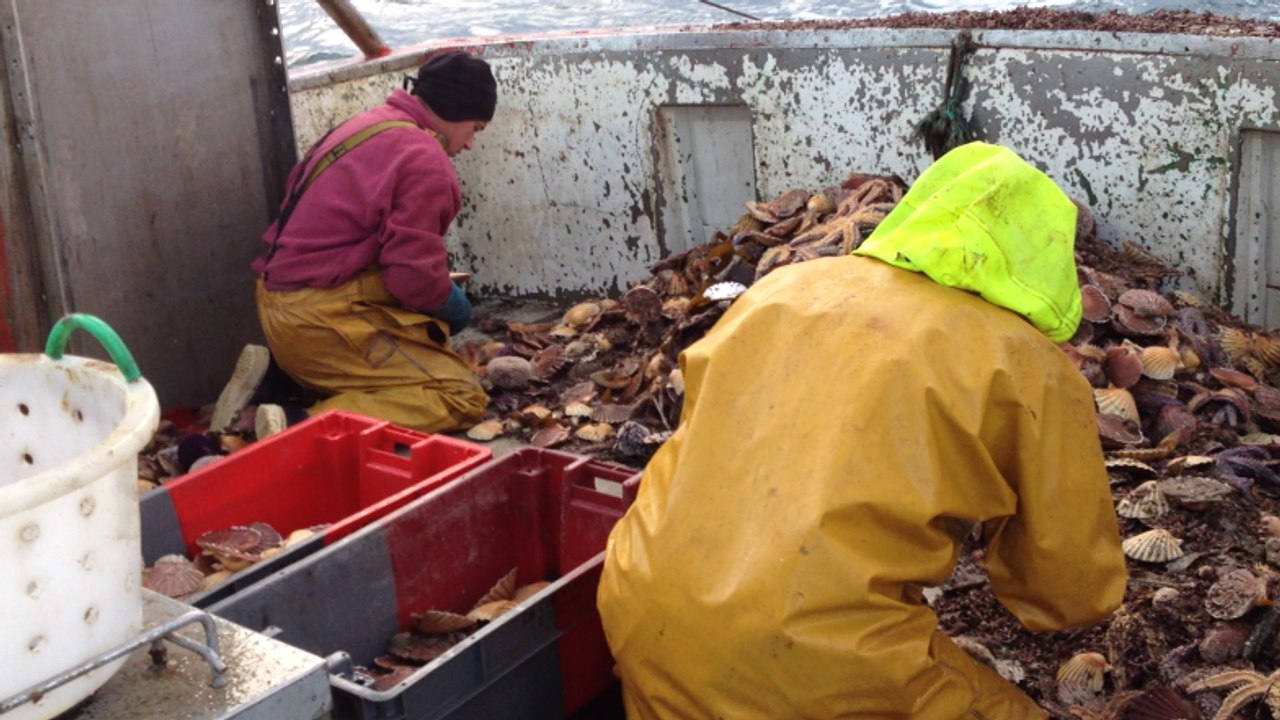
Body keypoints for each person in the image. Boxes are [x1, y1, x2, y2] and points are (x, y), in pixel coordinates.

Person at [597, 142, 1128, 718]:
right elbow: (1065, 591)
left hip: (638, 601)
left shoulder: (785, 288)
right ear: (1045, 259)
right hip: (814, 662)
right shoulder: (1029, 368)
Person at [210, 51, 496, 438]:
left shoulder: (363, 126)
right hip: (319, 323)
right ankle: (295, 424)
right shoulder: (426, 159)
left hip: (279, 306)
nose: (470, 145)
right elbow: (413, 279)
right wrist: (452, 304)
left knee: (416, 325)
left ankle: (274, 385)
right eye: (476, 129)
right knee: (460, 395)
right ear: (459, 110)